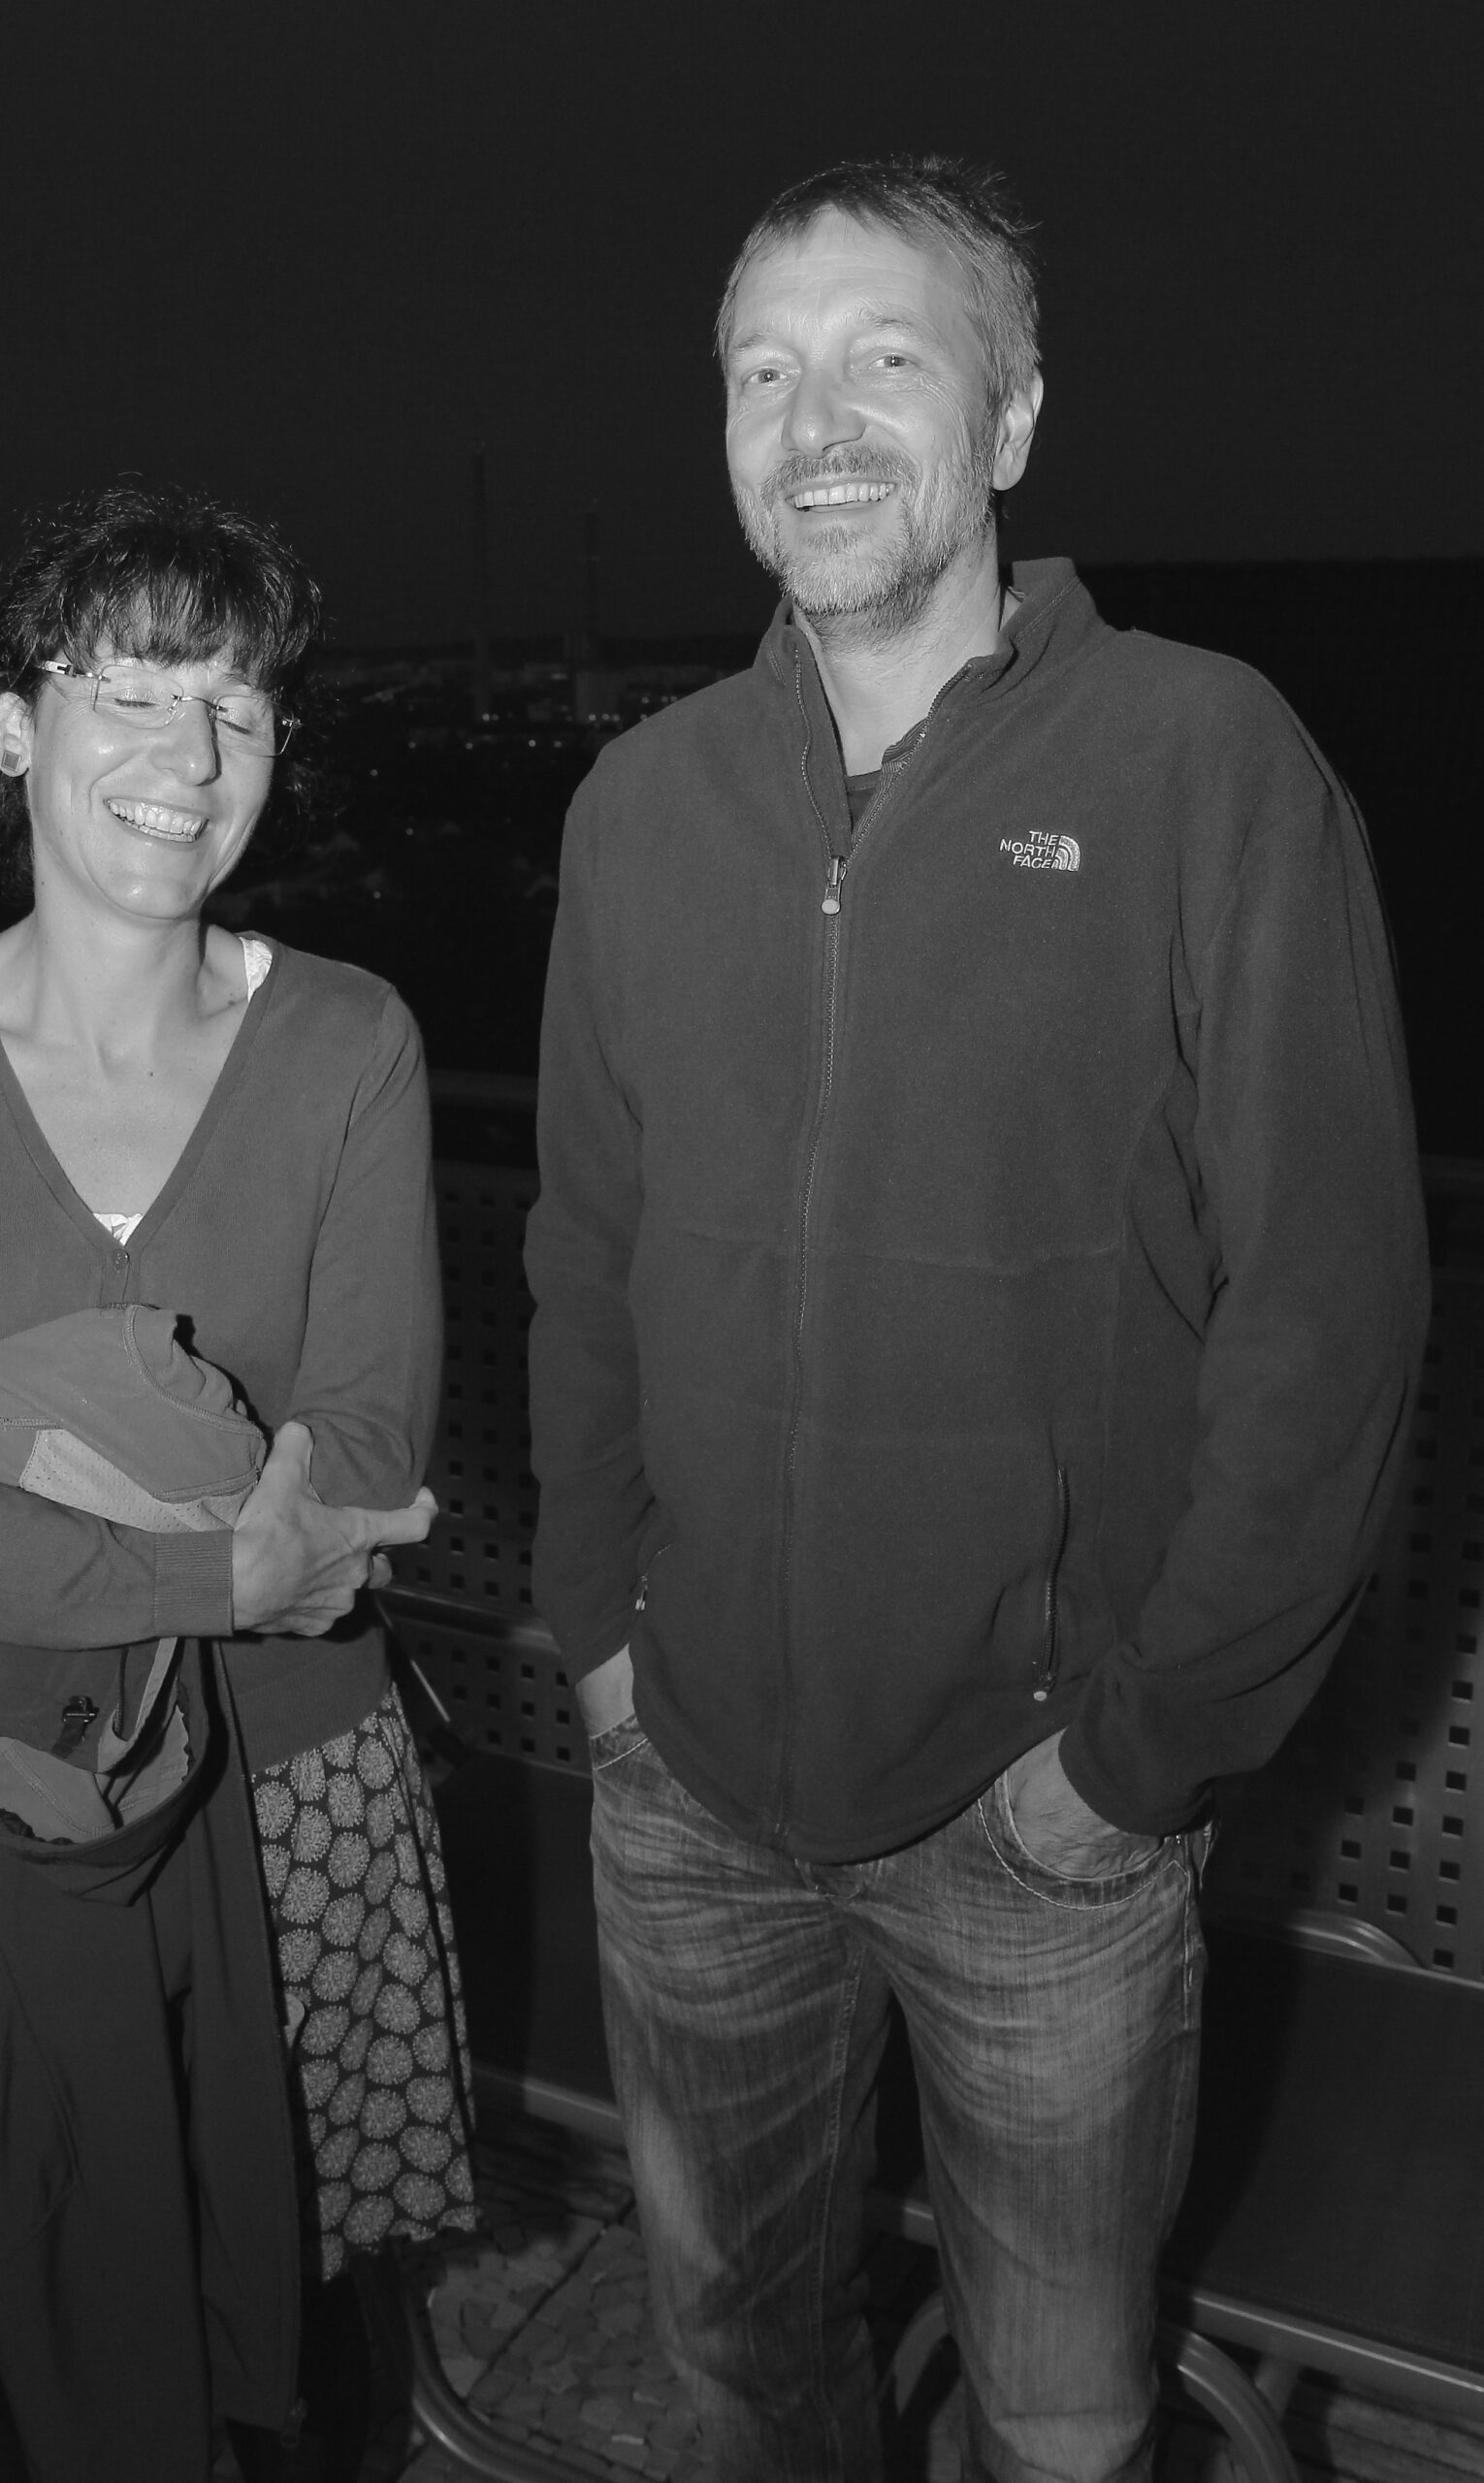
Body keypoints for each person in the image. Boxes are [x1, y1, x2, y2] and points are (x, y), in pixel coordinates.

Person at [524, 156, 1429, 2483]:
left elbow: (1325, 1311)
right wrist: (600, 1636)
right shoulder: (637, 808)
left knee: (1058, 2415)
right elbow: (582, 1247)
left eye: (883, 359)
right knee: (745, 2373)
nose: (812, 422)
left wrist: (1136, 1754)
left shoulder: (1201, 759)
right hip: (686, 1786)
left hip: (1037, 1825)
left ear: (1009, 418)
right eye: (762, 371)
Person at [0, 483, 472, 2483]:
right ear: (14, 727)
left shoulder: (349, 1041)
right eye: (133, 693)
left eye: (238, 709)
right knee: (1, 2342)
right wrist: (211, 1565)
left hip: (294, 1794)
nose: (190, 758)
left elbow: (365, 1467)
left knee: (296, 2337)